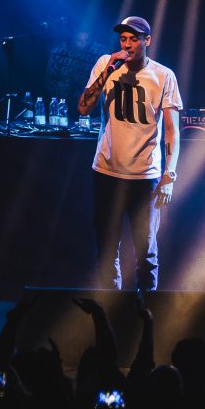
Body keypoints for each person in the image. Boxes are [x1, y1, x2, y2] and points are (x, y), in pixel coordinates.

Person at [78, 16, 182, 290]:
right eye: (123, 39)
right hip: (107, 172)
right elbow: (83, 108)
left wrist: (169, 175)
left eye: (134, 39)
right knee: (107, 248)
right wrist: (107, 71)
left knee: (146, 252)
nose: (127, 45)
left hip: (145, 177)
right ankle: (112, 306)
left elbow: (172, 131)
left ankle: (146, 307)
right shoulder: (106, 64)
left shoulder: (163, 75)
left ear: (147, 41)